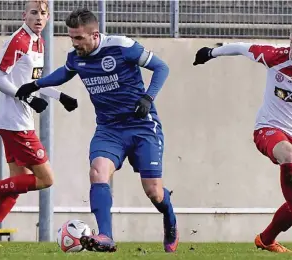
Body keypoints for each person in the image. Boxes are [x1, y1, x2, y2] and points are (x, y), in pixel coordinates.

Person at [15, 7, 178, 253]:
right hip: (109, 129)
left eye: (79, 38)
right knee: (97, 171)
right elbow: (65, 73)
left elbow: (162, 68)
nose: (75, 43)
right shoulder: (76, 56)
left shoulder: (122, 46)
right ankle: (106, 236)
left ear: (94, 34)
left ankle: (170, 218)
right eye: (71, 37)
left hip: (142, 127)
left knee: (154, 192)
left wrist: (148, 97)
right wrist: (35, 84)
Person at [193, 18, 292, 253]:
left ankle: (266, 239)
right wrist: (211, 52)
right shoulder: (276, 56)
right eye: (291, 43)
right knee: (288, 155)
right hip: (268, 128)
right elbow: (242, 48)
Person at [0, 0, 78, 247]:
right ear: (24, 15)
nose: (39, 17)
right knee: (46, 179)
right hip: (14, 121)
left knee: (17, 184)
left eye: (43, 13)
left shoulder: (39, 41)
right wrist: (25, 97)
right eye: (34, 12)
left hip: (18, 118)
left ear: (48, 18)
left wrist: (60, 96)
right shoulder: (20, 40)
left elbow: (31, 83)